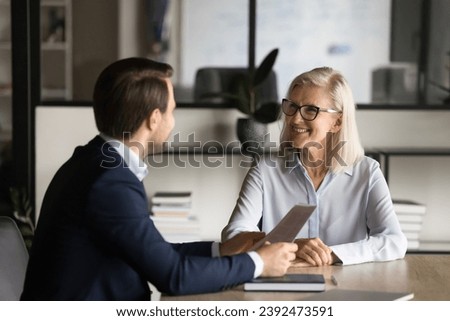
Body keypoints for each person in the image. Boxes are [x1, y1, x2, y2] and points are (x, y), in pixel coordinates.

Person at [20, 58, 298, 300]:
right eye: (172, 111)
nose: (173, 121)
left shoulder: (94, 161)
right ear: (154, 119)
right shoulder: (110, 182)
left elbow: (154, 252)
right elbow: (174, 276)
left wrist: (221, 250)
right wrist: (258, 263)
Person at [222, 67, 407, 266]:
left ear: (337, 122)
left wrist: (328, 254)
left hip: (346, 286)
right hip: (280, 285)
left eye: (310, 109)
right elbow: (234, 236)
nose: (294, 118)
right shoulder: (264, 171)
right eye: (292, 106)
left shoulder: (367, 173)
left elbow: (394, 241)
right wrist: (291, 246)